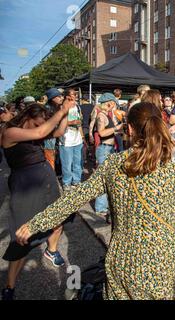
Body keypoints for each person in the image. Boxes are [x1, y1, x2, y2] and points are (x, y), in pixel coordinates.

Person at [15, 102, 175, 300]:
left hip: (123, 258)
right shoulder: (171, 165)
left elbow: (74, 198)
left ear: (129, 129)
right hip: (162, 258)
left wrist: (36, 224)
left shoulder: (114, 165)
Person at [1, 100, 74, 300]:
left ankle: (51, 250)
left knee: (58, 220)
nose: (39, 126)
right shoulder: (10, 132)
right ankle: (9, 286)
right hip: (25, 187)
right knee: (22, 237)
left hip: (46, 180)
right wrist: (62, 111)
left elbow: (58, 132)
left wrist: (66, 112)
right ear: (28, 117)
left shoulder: (36, 129)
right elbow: (40, 133)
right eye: (36, 123)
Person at [94, 93, 123, 218]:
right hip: (104, 149)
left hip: (110, 148)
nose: (115, 105)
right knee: (103, 179)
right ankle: (100, 208)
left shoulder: (107, 115)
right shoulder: (101, 115)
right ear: (108, 103)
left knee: (109, 178)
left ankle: (105, 205)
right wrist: (117, 128)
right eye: (114, 103)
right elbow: (101, 133)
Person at [58, 89, 85, 192]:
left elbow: (80, 123)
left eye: (76, 94)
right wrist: (71, 122)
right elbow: (58, 122)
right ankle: (66, 183)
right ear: (67, 96)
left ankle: (76, 181)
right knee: (67, 164)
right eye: (74, 94)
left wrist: (82, 137)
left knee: (77, 163)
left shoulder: (77, 106)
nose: (76, 95)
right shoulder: (62, 107)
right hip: (66, 140)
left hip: (77, 139)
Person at [43, 88, 64, 169]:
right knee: (50, 161)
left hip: (56, 139)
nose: (62, 98)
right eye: (59, 96)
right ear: (52, 98)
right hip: (49, 140)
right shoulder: (47, 109)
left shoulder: (58, 107)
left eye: (61, 96)